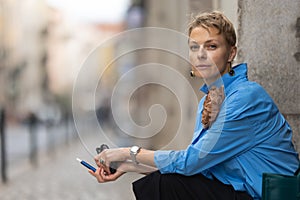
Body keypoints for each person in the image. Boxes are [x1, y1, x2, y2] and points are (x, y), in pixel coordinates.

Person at [88, 11, 299, 200]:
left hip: (268, 196)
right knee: (166, 181)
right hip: (239, 193)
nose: (200, 54)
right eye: (194, 47)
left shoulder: (246, 98)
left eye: (211, 46)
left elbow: (191, 162)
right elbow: (196, 168)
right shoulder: (207, 102)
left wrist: (128, 153)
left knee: (166, 185)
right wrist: (129, 165)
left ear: (231, 53)